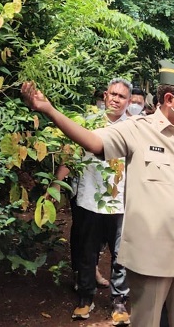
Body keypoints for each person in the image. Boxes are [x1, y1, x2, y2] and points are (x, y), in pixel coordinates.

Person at [20, 60, 174, 327]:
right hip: (152, 253)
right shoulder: (138, 129)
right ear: (170, 98)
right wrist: (48, 109)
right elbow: (93, 141)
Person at [60, 78, 133, 322]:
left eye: (121, 96)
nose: (115, 99)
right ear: (104, 96)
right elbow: (69, 153)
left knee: (121, 254)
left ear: (129, 101)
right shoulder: (88, 123)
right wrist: (55, 184)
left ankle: (119, 302)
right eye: (112, 94)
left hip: (121, 202)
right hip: (89, 198)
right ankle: (85, 297)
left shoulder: (133, 128)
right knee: (87, 251)